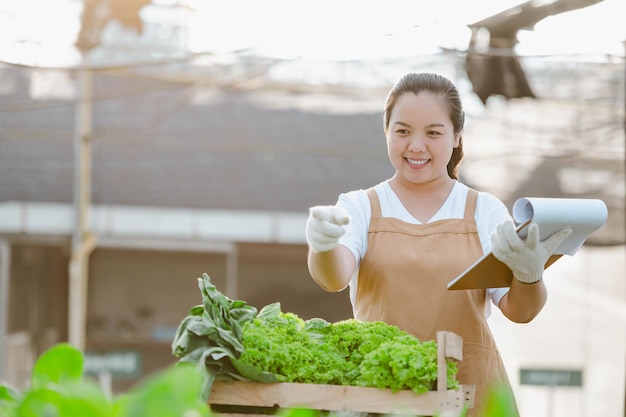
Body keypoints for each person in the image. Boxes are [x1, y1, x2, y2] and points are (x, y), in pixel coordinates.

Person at [304, 72, 571, 417]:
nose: (416, 145)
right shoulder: (359, 207)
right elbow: (333, 278)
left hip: (472, 395)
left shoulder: (485, 210)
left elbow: (520, 311)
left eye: (433, 132)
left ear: (457, 136)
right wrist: (323, 245)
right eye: (402, 131)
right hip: (381, 396)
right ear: (386, 133)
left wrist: (530, 274)